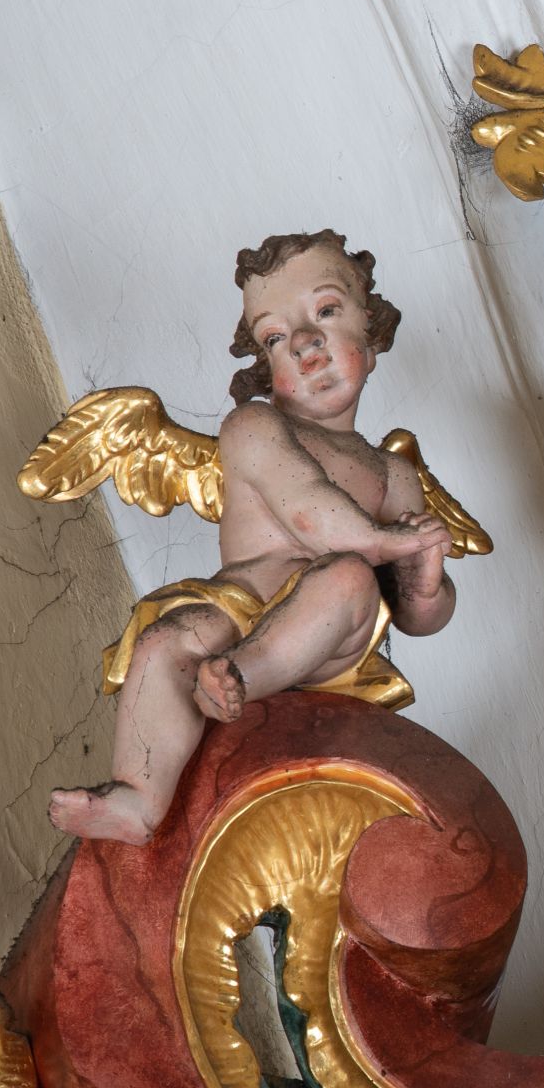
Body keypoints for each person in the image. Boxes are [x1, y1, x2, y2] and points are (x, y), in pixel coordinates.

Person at [47, 232, 455, 842]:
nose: (306, 343)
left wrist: (424, 579)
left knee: (347, 576)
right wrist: (388, 542)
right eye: (275, 338)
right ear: (265, 367)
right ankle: (139, 798)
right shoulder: (254, 425)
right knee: (165, 641)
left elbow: (420, 617)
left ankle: (233, 678)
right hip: (236, 607)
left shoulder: (393, 473)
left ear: (371, 337)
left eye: (326, 311)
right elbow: (308, 508)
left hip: (330, 639)